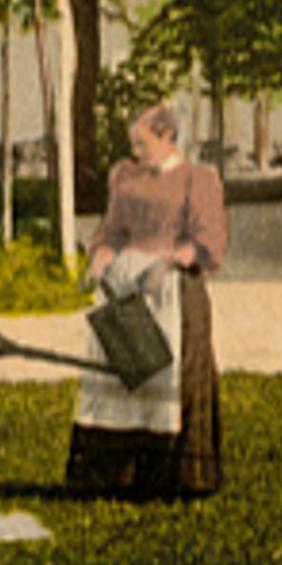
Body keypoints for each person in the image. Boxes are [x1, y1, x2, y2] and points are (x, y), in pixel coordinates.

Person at [65, 101, 227, 498]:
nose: (135, 151)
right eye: (133, 143)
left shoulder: (197, 179)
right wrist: (100, 260)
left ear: (168, 137)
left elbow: (208, 242)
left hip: (170, 287)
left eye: (143, 143)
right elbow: (112, 231)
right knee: (116, 373)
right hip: (123, 288)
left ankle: (171, 476)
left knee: (166, 374)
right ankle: (113, 473)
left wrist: (170, 261)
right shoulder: (124, 176)